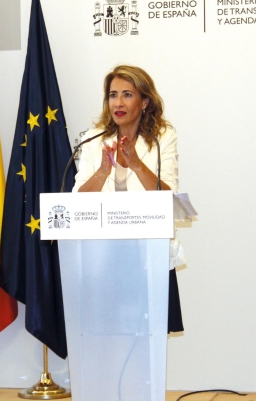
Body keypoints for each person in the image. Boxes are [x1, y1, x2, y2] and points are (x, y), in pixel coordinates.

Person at [72, 64, 184, 333]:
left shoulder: (161, 138)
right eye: (112, 95)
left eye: (127, 95)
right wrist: (102, 171)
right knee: (106, 335)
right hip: (102, 257)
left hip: (149, 254)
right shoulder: (93, 139)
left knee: (149, 337)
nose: (118, 103)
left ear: (145, 101)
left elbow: (168, 199)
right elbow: (77, 203)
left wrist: (136, 164)